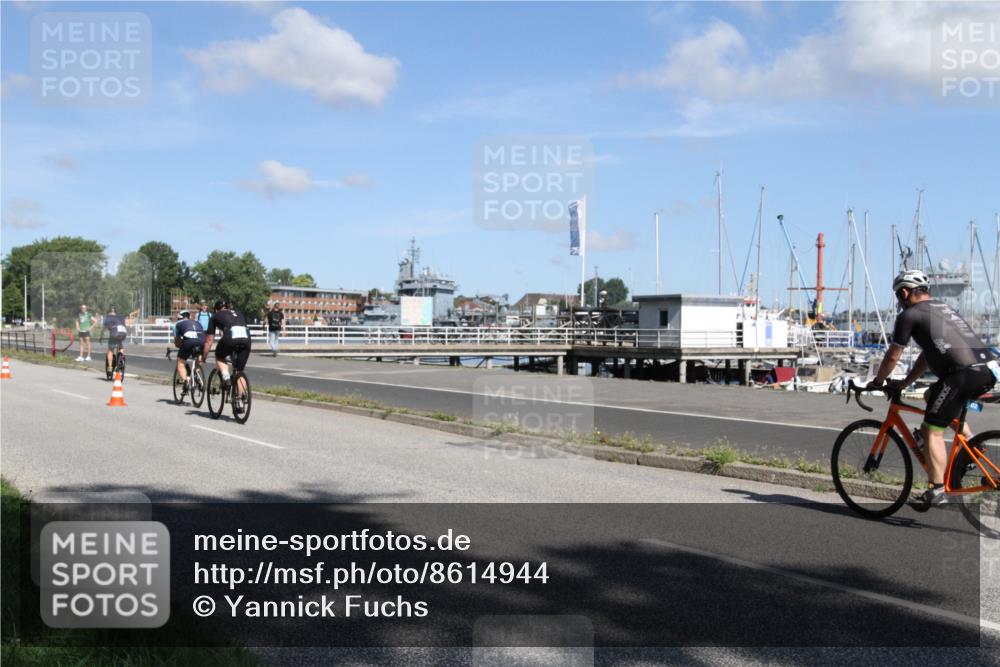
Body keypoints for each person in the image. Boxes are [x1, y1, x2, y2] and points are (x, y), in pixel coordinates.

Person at [867, 269, 998, 511]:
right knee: (932, 396)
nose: (899, 301)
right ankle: (972, 445)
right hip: (987, 369)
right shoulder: (943, 309)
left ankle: (937, 489)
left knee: (932, 431)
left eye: (898, 295)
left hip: (961, 374)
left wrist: (878, 381)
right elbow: (927, 356)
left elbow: (893, 355)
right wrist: (906, 382)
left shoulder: (910, 315)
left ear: (905, 292)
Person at [202, 300, 252, 406]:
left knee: (219, 356)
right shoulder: (238, 312)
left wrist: (204, 356)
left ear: (216, 310)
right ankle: (241, 401)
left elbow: (209, 340)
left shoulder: (215, 316)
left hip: (231, 338)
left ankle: (225, 377)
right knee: (239, 371)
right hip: (246, 339)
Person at [172, 309, 205, 392]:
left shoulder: (177, 324)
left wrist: (181, 347)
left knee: (180, 361)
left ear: (179, 318)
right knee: (199, 356)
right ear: (189, 317)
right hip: (201, 341)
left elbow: (177, 342)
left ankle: (186, 381)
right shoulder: (197, 323)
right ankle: (197, 373)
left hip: (189, 342)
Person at [101, 306, 129, 374]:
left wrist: (101, 337)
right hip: (123, 333)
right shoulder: (121, 317)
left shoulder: (108, 318)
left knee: (110, 350)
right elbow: (125, 325)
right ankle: (121, 359)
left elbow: (104, 329)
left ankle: (110, 368)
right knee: (120, 346)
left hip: (114, 334)